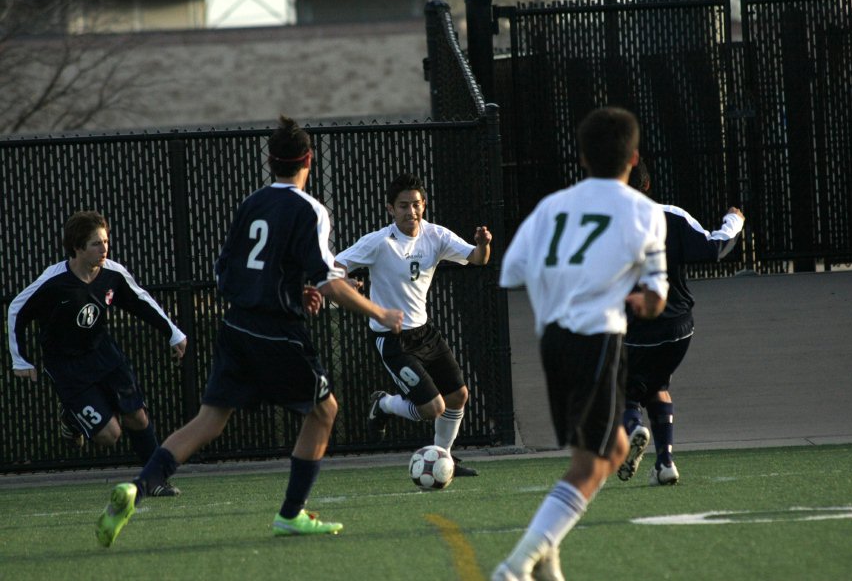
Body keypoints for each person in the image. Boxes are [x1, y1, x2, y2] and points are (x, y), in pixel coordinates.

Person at [95, 115, 404, 548]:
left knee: (208, 421)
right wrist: (380, 311)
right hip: (277, 333)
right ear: (308, 160)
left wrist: (294, 290)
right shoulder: (309, 209)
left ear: (271, 160)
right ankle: (291, 514)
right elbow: (331, 282)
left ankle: (138, 488)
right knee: (324, 411)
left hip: (236, 325)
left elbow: (227, 273)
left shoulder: (251, 203)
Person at [493, 106, 669, 581]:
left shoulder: (552, 207)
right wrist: (633, 297)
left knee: (611, 449)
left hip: (553, 341)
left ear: (583, 158)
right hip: (597, 341)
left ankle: (548, 550)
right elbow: (655, 300)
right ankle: (514, 567)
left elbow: (512, 272)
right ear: (633, 159)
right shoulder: (647, 212)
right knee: (590, 465)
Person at [7, 210, 187, 497]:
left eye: (105, 241)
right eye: (95, 244)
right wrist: (21, 359)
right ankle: (71, 418)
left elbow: (141, 300)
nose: (104, 249)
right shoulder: (53, 282)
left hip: (104, 355)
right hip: (67, 364)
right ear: (77, 248)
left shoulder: (112, 273)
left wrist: (173, 333)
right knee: (109, 436)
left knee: (137, 418)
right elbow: (16, 308)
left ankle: (155, 481)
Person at [334, 172, 491, 477]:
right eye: (403, 206)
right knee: (433, 408)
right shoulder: (379, 242)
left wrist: (483, 244)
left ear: (424, 205)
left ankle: (443, 458)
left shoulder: (436, 235)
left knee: (458, 395)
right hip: (392, 339)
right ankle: (385, 405)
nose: (411, 212)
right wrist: (345, 282)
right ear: (390, 209)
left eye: (416, 204)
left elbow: (478, 259)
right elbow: (337, 264)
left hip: (425, 332)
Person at [617, 159, 744, 486]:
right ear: (646, 185)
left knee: (622, 391)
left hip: (635, 329)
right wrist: (734, 219)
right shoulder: (672, 215)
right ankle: (665, 463)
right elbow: (714, 248)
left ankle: (634, 428)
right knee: (658, 386)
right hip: (678, 328)